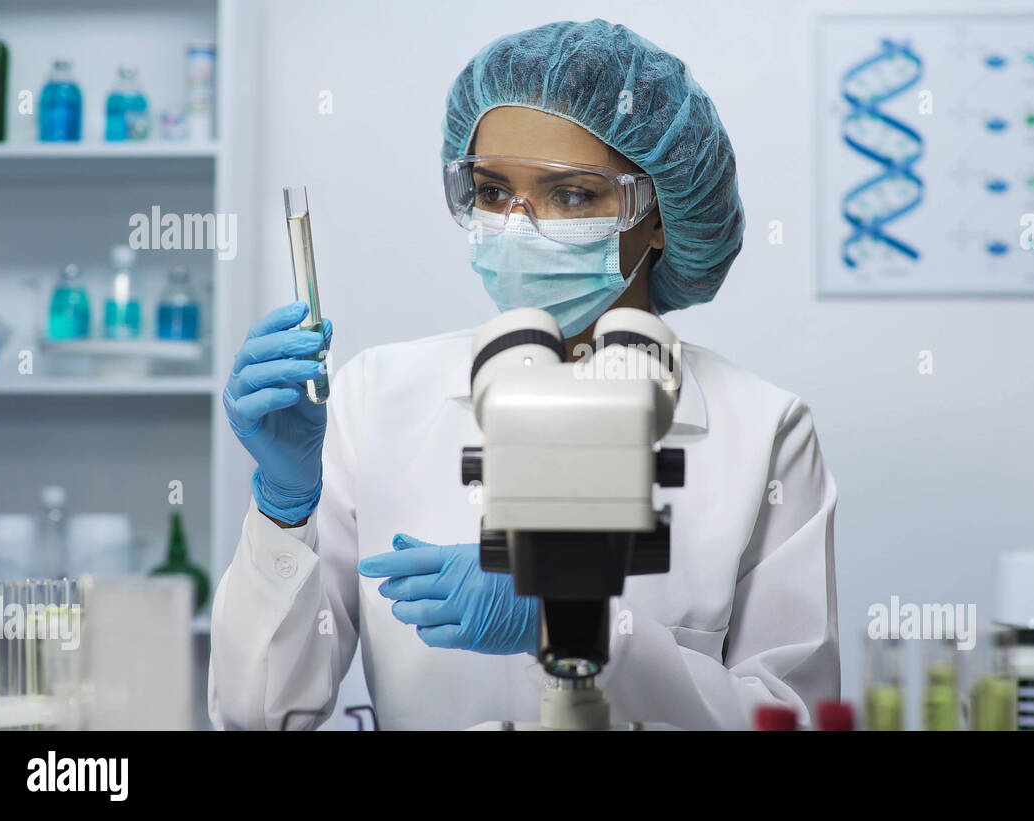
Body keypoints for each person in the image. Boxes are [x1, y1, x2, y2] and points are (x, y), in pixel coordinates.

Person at [210, 19, 838, 730]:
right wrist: (284, 507)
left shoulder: (762, 432)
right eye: (490, 189)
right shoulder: (375, 398)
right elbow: (256, 712)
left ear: (660, 211)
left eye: (572, 195)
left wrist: (579, 627)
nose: (515, 226)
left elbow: (795, 718)